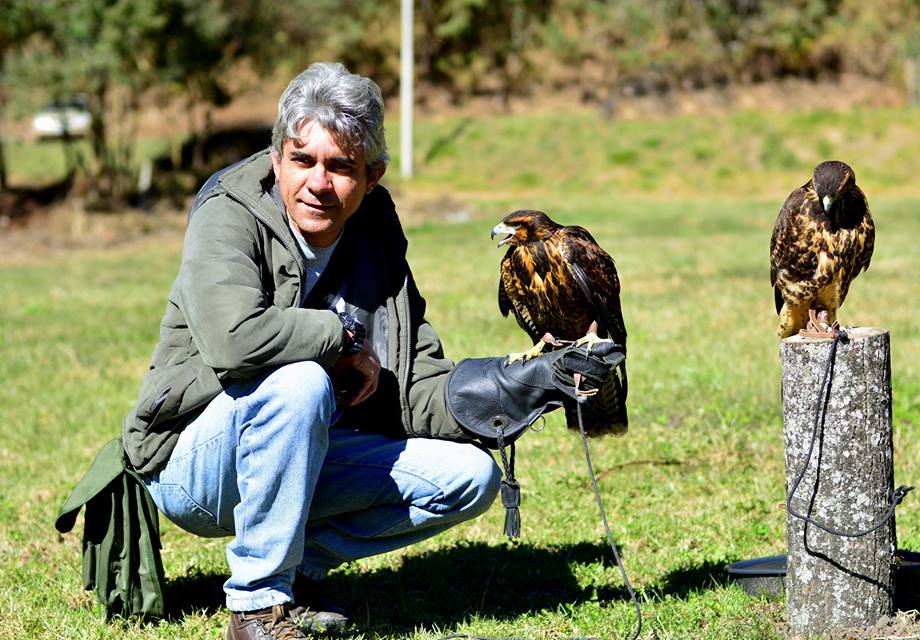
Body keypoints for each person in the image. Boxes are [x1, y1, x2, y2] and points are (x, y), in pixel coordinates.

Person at [122, 61, 624, 640]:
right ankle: (257, 608)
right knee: (300, 380)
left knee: (471, 477)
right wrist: (340, 343)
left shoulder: (375, 230)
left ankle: (295, 566)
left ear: (372, 176)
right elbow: (236, 341)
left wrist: (517, 384)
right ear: (276, 157)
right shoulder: (229, 212)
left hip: (305, 451)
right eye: (301, 160)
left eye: (341, 167)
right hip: (191, 463)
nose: (318, 181)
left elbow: (411, 382)